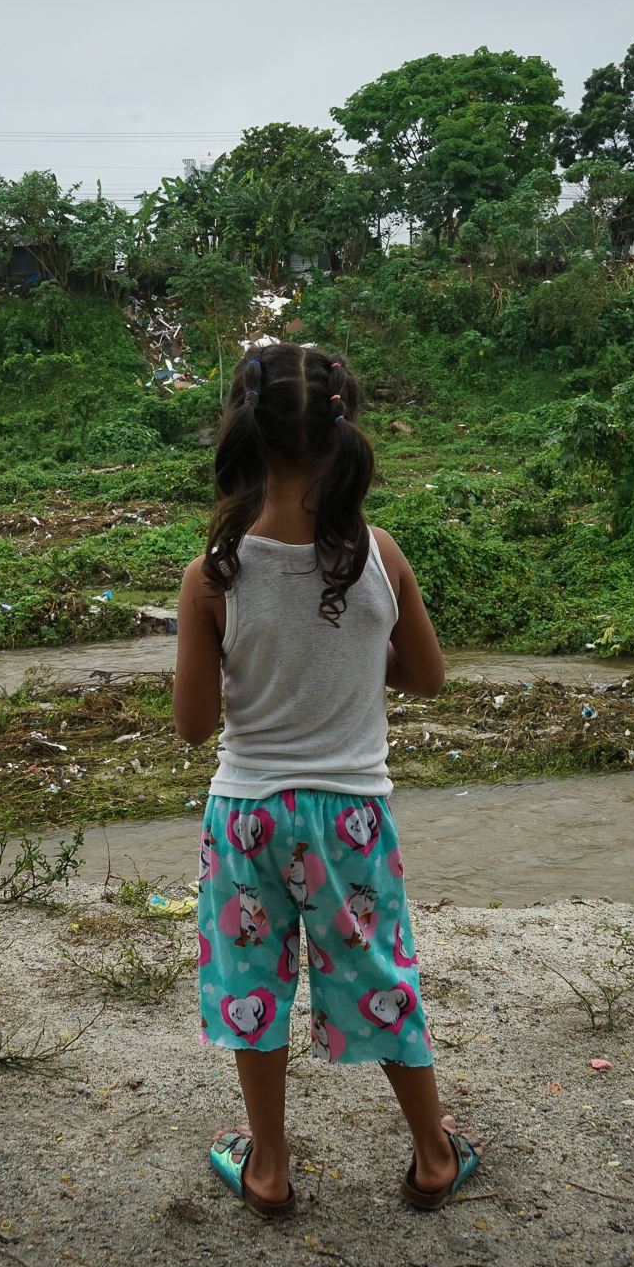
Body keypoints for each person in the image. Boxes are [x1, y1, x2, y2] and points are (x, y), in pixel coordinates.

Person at [174, 343, 479, 1218]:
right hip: (350, 817)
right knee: (378, 971)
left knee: (251, 984)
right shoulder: (379, 554)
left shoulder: (213, 574)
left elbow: (194, 726)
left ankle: (268, 1168)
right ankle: (431, 1155)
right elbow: (425, 676)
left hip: (247, 817)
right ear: (344, 431)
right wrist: (346, 657)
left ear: (244, 432)